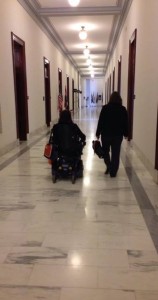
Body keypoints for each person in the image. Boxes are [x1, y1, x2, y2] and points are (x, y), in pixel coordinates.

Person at [96, 91, 128, 177]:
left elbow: (101, 121)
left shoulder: (105, 108)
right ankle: (113, 172)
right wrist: (126, 133)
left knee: (105, 152)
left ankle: (109, 166)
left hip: (106, 135)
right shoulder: (123, 109)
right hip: (117, 136)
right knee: (116, 153)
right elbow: (125, 123)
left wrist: (98, 133)